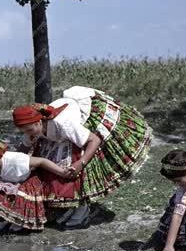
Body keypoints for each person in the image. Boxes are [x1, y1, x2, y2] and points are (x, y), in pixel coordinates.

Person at [13, 86, 152, 228]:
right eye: (24, 131)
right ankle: (71, 205)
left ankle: (82, 207)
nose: (28, 133)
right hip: (60, 134)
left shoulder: (63, 124)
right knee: (53, 166)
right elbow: (23, 148)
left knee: (77, 163)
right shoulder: (32, 130)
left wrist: (81, 162)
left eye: (30, 130)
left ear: (39, 122)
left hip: (82, 126)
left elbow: (94, 140)